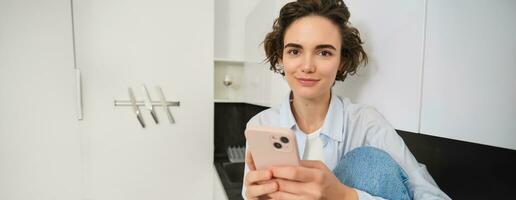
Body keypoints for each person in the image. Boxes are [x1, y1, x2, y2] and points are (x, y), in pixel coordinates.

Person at [242, 0, 451, 199]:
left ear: (341, 61)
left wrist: (344, 196)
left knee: (367, 162)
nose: (307, 66)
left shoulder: (365, 123)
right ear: (281, 57)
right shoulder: (261, 126)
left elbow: (433, 195)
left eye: (323, 52)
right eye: (295, 51)